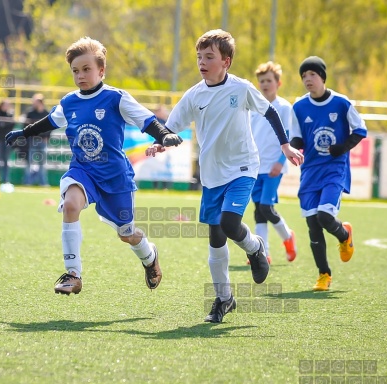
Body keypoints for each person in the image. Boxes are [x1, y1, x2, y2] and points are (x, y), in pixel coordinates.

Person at [146, 29, 304, 323]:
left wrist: (285, 145)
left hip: (243, 167)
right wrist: (161, 141)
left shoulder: (241, 89)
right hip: (212, 175)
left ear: (226, 61)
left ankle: (256, 248)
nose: (202, 62)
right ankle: (224, 299)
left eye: (209, 57)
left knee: (229, 222)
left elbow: (270, 112)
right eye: (199, 57)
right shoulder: (194, 95)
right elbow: (172, 124)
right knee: (216, 238)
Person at [5, 37, 183, 295]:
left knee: (126, 233)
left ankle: (149, 255)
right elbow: (51, 121)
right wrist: (25, 132)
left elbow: (146, 119)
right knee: (70, 204)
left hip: (115, 178)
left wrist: (163, 135)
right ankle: (73, 274)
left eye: (86, 69)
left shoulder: (116, 98)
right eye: (75, 71)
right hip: (83, 171)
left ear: (101, 70)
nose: (80, 76)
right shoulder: (69, 102)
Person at [289, 56, 367, 291]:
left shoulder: (342, 103)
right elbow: (297, 138)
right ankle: (324, 274)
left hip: (335, 169)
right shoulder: (299, 107)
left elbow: (360, 130)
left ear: (322, 77)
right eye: (303, 76)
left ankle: (344, 236)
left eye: (312, 74)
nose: (307, 79)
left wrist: (342, 148)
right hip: (310, 171)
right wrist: (289, 148)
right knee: (313, 224)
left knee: (324, 216)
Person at [248, 61, 297, 265]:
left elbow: (289, 136)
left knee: (267, 208)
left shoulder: (284, 107)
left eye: (269, 80)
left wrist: (280, 161)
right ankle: (264, 253)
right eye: (261, 81)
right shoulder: (253, 108)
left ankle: (287, 237)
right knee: (258, 210)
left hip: (273, 167)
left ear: (278, 83)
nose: (265, 84)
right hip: (254, 167)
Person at [24, 93, 50, 186]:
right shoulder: (30, 113)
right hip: (33, 140)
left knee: (42, 164)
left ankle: (43, 183)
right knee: (29, 162)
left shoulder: (46, 113)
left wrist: (47, 137)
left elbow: (51, 127)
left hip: (43, 141)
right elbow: (25, 126)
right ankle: (27, 182)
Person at [0, 100, 15, 189]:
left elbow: (11, 126)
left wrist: (4, 124)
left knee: (6, 161)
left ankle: (6, 180)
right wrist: (5, 125)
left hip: (7, 141)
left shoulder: (10, 115)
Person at [152, 105, 173, 190]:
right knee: (155, 166)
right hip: (155, 147)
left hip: (165, 149)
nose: (164, 113)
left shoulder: (166, 122)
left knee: (165, 167)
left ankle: (165, 186)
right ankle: (155, 186)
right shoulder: (154, 122)